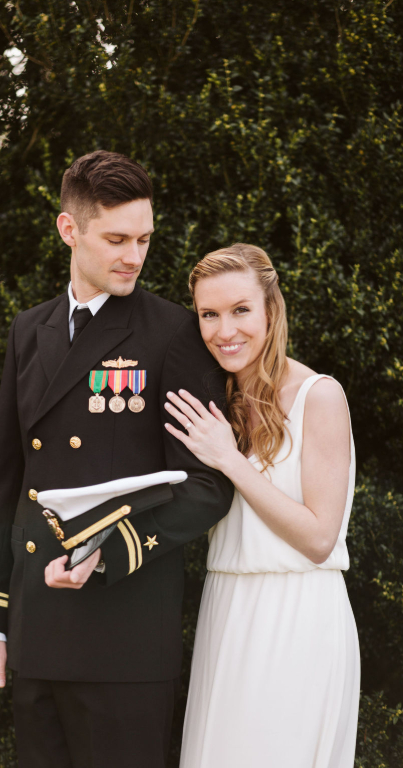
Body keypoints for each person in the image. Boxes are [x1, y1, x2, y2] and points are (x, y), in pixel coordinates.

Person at [0, 150, 234, 768]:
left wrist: (106, 553)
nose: (135, 256)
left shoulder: (173, 333)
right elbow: (6, 482)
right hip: (36, 632)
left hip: (126, 640)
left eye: (144, 239)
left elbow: (206, 486)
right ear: (70, 230)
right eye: (117, 239)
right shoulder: (27, 331)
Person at [170, 244, 359, 768]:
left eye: (240, 310)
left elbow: (320, 539)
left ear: (271, 310)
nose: (224, 330)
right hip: (226, 610)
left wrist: (231, 461)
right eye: (209, 315)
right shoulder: (215, 401)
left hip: (297, 618)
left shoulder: (319, 396)